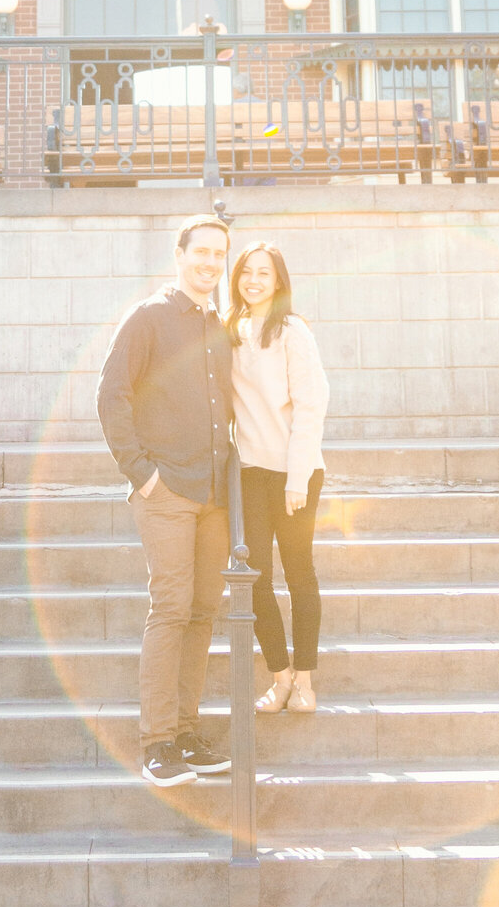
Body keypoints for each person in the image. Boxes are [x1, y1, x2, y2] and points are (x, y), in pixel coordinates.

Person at [96, 212, 235, 788]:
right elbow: (111, 396)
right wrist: (141, 474)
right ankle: (157, 742)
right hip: (168, 490)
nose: (209, 264)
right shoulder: (150, 317)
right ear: (179, 255)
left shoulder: (218, 325)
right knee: (172, 608)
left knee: (204, 612)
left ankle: (184, 730)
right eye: (200, 252)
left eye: (218, 255)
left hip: (214, 495)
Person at [225, 239, 330, 714]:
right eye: (247, 271)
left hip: (294, 472)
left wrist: (297, 475)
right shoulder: (229, 329)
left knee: (299, 573)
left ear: (279, 280)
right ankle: (279, 676)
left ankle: (306, 680)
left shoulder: (292, 331)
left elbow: (312, 404)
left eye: (264, 273)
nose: (254, 280)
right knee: (256, 577)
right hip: (248, 471)